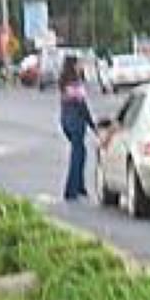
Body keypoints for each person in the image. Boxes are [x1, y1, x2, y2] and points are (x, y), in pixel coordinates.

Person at [58, 55, 97, 201]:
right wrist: (93, 125)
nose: (81, 66)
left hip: (66, 120)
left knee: (81, 152)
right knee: (77, 155)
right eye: (79, 64)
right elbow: (81, 105)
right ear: (74, 65)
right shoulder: (74, 82)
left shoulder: (64, 80)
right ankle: (71, 190)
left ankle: (80, 186)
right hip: (76, 121)